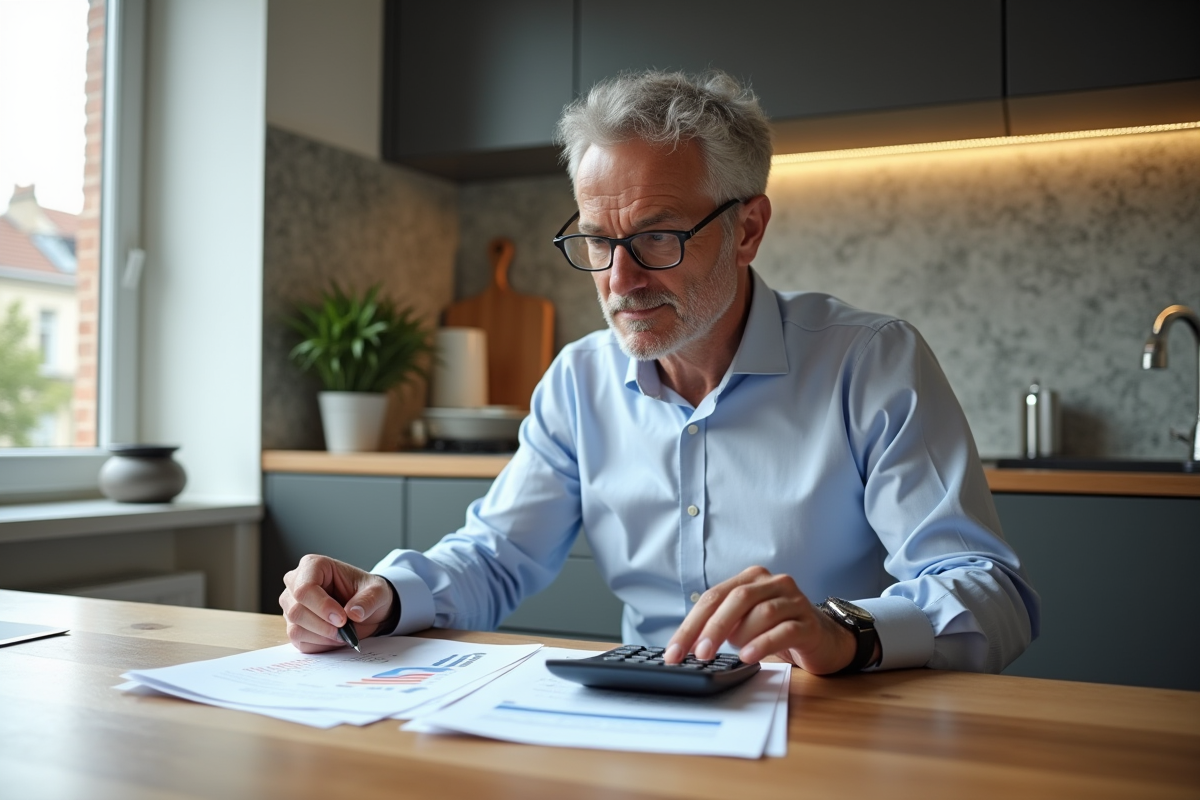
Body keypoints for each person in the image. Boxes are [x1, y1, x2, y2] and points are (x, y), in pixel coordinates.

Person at [280, 70, 1039, 676]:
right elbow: (497, 556)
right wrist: (385, 597)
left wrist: (845, 632)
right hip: (647, 722)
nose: (621, 279)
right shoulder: (579, 382)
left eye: (658, 237)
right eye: (597, 241)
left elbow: (991, 594)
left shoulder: (872, 362)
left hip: (840, 725)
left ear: (747, 229)